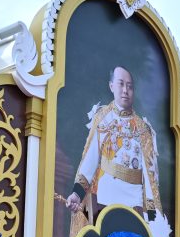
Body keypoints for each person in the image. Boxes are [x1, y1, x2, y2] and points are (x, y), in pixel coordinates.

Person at [66, 65, 162, 218]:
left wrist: (151, 213)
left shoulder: (144, 129)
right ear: (111, 86)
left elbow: (149, 176)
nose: (125, 90)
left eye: (129, 86)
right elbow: (90, 161)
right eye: (121, 84)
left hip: (134, 200)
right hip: (106, 195)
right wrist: (77, 194)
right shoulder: (103, 118)